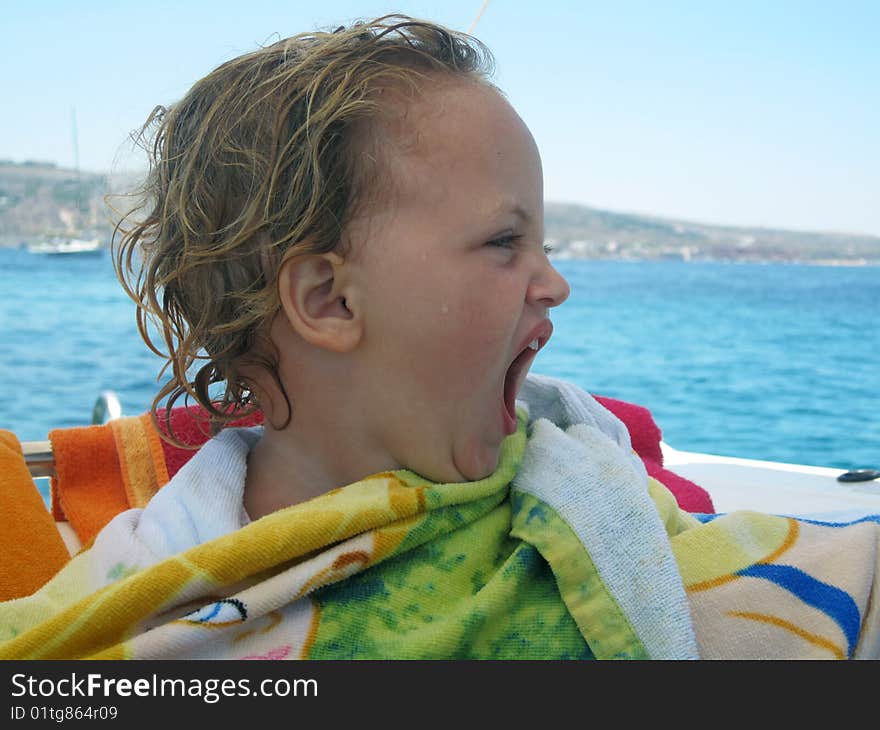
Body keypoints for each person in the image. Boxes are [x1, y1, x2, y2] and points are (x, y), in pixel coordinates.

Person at [1, 15, 878, 660]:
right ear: (330, 302)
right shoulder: (143, 594)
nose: (555, 283)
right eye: (505, 242)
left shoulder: (580, 478)